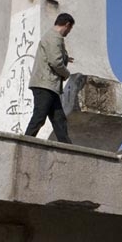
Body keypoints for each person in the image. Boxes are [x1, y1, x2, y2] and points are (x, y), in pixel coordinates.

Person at [24, 13, 75, 144]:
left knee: (59, 119)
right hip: (45, 84)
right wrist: (66, 73)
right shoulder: (54, 37)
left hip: (49, 85)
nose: (68, 32)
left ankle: (67, 147)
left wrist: (65, 58)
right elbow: (55, 62)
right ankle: (25, 142)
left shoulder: (52, 37)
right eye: (69, 29)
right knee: (40, 116)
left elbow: (52, 57)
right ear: (67, 25)